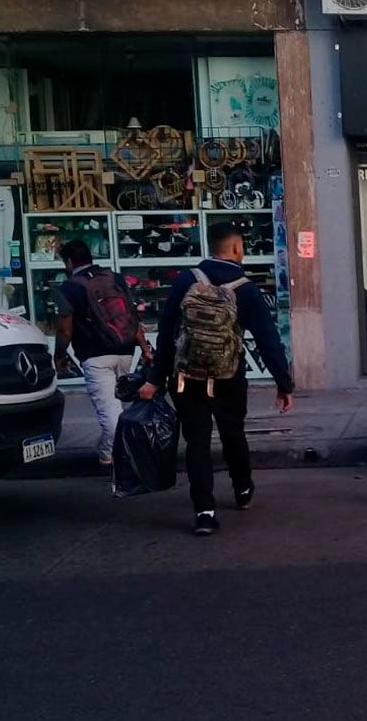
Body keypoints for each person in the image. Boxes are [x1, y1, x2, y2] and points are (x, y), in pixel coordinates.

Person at [138, 221, 294, 536]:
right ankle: (242, 489)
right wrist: (283, 383)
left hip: (186, 378)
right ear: (237, 249)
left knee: (197, 441)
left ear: (211, 247)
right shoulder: (246, 289)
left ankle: (204, 510)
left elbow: (167, 334)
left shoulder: (186, 280)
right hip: (228, 376)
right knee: (233, 433)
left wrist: (154, 378)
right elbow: (268, 341)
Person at [54, 239, 151, 468]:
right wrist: (144, 348)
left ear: (69, 262)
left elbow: (64, 328)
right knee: (119, 406)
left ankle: (109, 454)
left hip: (95, 355)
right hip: (125, 351)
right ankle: (113, 447)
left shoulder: (69, 287)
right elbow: (132, 316)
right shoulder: (115, 278)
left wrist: (59, 355)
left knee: (110, 413)